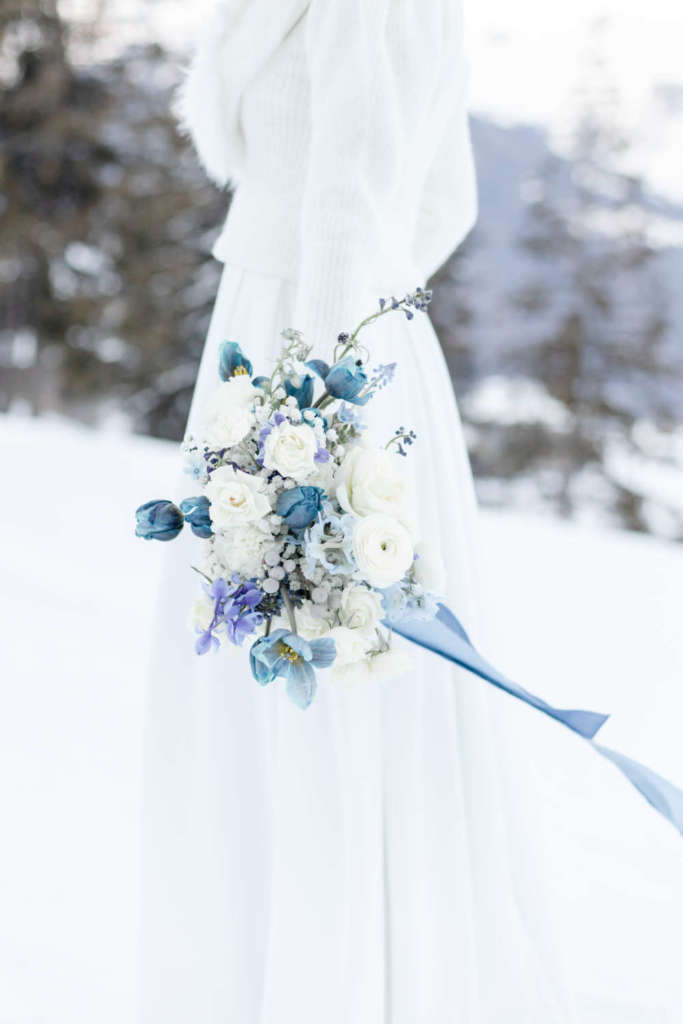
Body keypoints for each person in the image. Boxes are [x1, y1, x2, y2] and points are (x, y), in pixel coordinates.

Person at [138, 2, 575, 1020]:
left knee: (321, 661)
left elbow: (349, 199)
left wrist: (315, 407)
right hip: (307, 323)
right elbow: (442, 203)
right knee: (278, 662)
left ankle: (323, 971)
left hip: (304, 342)